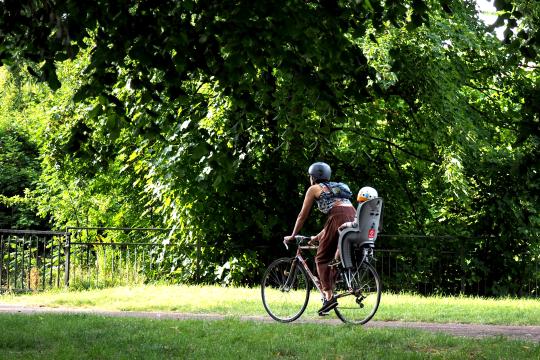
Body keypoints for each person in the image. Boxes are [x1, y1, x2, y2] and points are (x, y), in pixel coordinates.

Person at [283, 162, 356, 315]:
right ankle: (328, 297)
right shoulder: (337, 187)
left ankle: (329, 297)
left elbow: (302, 216)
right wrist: (317, 237)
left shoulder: (314, 189)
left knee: (321, 259)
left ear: (313, 177)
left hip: (337, 218)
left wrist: (293, 235)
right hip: (353, 216)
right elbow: (339, 217)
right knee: (334, 260)